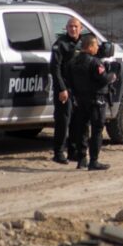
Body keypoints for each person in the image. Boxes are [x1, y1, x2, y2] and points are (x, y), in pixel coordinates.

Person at [68, 34, 116, 171]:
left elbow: (70, 81)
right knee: (97, 130)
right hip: (96, 100)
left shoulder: (73, 62)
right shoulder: (95, 63)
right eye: (96, 46)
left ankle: (81, 159)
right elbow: (103, 79)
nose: (97, 48)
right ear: (89, 47)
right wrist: (112, 76)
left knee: (82, 129)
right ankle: (94, 161)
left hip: (80, 100)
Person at [49, 17, 82, 164]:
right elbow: (55, 68)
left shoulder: (83, 43)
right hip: (65, 88)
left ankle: (73, 152)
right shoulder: (60, 44)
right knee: (63, 120)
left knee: (77, 121)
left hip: (79, 89)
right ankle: (58, 152)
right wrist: (62, 89)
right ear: (66, 28)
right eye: (70, 26)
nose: (73, 29)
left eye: (75, 26)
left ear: (80, 28)